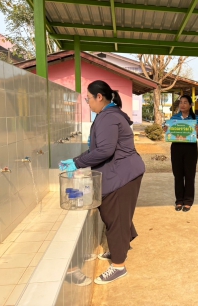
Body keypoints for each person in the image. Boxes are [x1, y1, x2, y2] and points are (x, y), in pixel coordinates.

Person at [59, 80, 145, 284]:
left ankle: (118, 266)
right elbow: (99, 149)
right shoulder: (108, 115)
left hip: (123, 173)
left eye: (88, 98)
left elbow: (105, 151)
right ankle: (120, 247)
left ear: (99, 97)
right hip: (120, 171)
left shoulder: (108, 117)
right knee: (115, 215)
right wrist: (78, 161)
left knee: (116, 217)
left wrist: (77, 163)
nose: (87, 103)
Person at [164, 95, 198, 212]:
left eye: (185, 102)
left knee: (189, 175)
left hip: (191, 149)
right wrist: (166, 130)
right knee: (178, 175)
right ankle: (179, 201)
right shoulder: (174, 118)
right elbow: (167, 132)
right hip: (176, 148)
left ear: (190, 105)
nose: (182, 105)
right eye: (180, 102)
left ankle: (188, 201)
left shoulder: (196, 119)